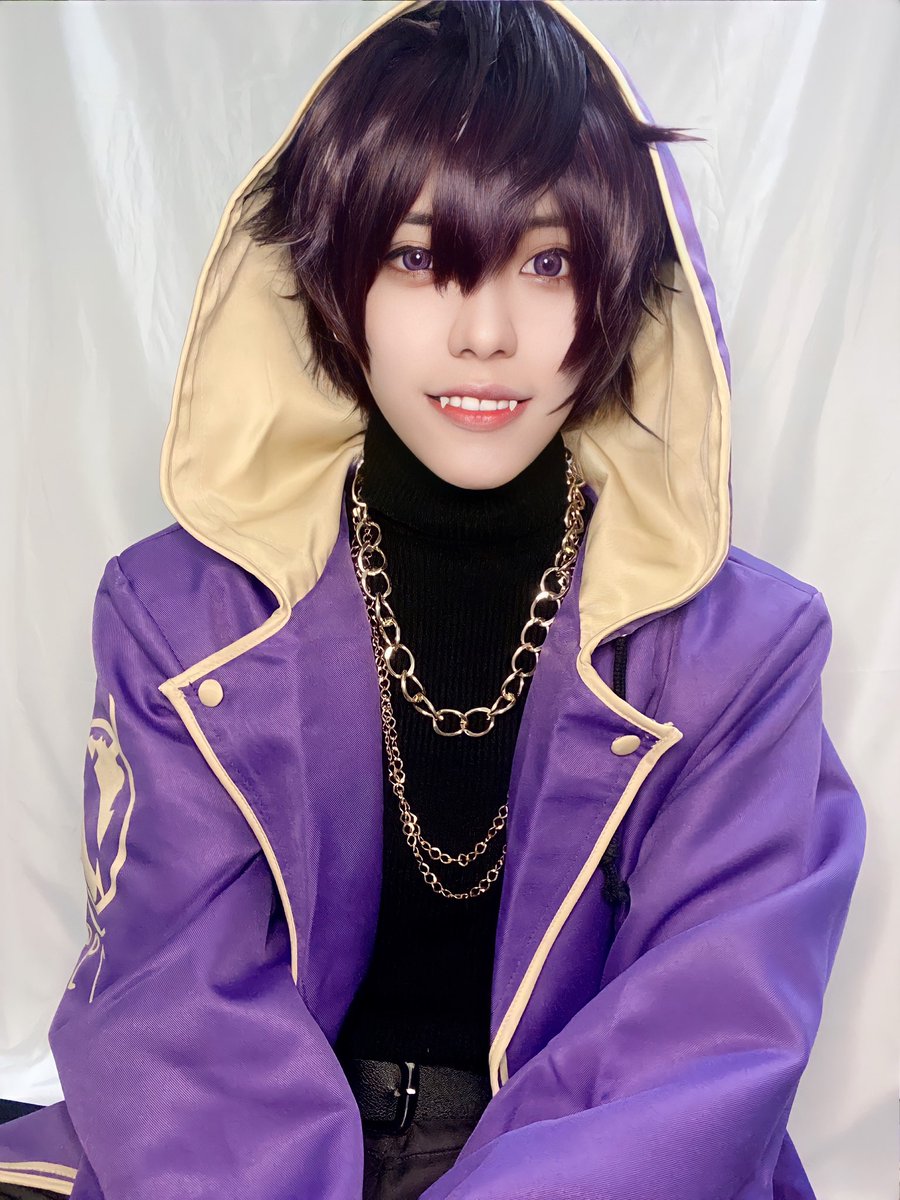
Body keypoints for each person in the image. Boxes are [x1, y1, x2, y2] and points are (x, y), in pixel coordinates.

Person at [0, 2, 866, 1198]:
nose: (486, 334)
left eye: (548, 263)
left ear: (621, 290)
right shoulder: (182, 618)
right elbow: (175, 1016)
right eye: (418, 258)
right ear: (331, 280)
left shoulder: (745, 653)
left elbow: (699, 1053)